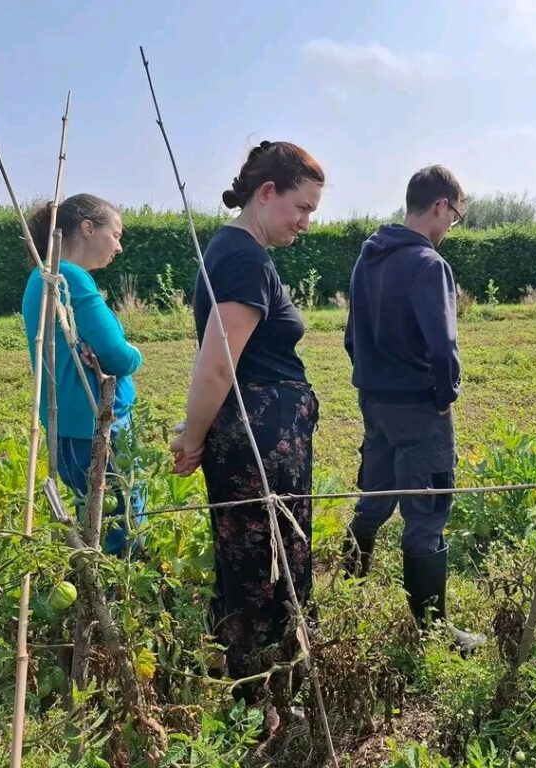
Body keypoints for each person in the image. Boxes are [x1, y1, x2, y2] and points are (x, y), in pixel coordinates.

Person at [169, 141, 324, 707]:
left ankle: (269, 686)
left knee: (259, 557)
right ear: (267, 193)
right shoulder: (244, 260)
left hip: (261, 437)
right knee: (263, 566)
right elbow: (216, 365)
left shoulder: (237, 251)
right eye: (301, 207)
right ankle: (262, 697)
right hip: (259, 445)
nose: (306, 223)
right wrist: (192, 438)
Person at [341, 164, 483, 652]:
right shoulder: (428, 264)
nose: (451, 228)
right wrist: (444, 396)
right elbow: (444, 347)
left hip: (374, 402)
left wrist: (373, 381)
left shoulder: (367, 258)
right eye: (455, 217)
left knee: (376, 494)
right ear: (441, 206)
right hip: (420, 409)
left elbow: (351, 337)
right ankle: (434, 631)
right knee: (427, 510)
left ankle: (347, 585)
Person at [21, 193, 144, 556]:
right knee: (122, 522)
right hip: (97, 422)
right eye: (115, 235)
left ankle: (92, 581)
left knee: (91, 516)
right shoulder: (71, 277)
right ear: (88, 228)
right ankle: (122, 583)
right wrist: (136, 351)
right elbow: (119, 357)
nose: (119, 247)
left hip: (67, 424)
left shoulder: (40, 276)